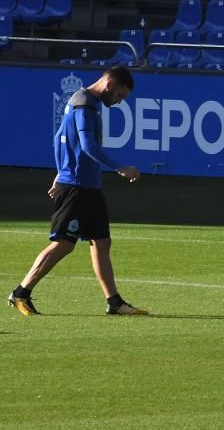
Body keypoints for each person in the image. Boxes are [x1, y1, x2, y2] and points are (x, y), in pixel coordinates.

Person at [8, 66, 147, 317]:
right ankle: (21, 293)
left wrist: (59, 171)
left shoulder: (87, 102)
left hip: (88, 186)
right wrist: (120, 167)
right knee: (63, 244)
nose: (118, 102)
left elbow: (61, 138)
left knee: (101, 242)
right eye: (120, 96)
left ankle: (114, 302)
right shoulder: (84, 104)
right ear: (109, 85)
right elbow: (86, 145)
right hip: (76, 187)